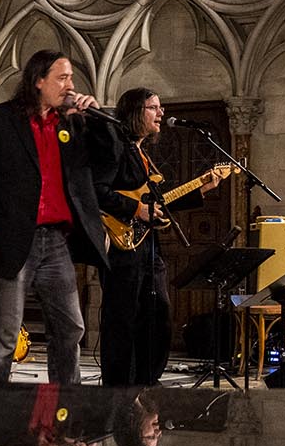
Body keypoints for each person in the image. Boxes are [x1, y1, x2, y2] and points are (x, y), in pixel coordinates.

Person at [0, 48, 113, 384]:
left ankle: (65, 405)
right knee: (5, 331)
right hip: (14, 238)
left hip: (56, 241)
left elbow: (108, 161)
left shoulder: (71, 124)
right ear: (38, 81)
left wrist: (96, 118)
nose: (70, 85)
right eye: (62, 78)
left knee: (71, 326)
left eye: (71, 77)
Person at [95, 88, 225, 386]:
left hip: (148, 246)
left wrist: (202, 188)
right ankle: (118, 390)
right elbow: (96, 190)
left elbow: (157, 203)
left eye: (160, 107)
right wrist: (135, 208)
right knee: (123, 320)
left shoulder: (142, 153)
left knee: (158, 317)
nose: (161, 113)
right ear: (135, 112)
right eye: (153, 107)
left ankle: (146, 383)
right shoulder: (114, 146)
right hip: (122, 245)